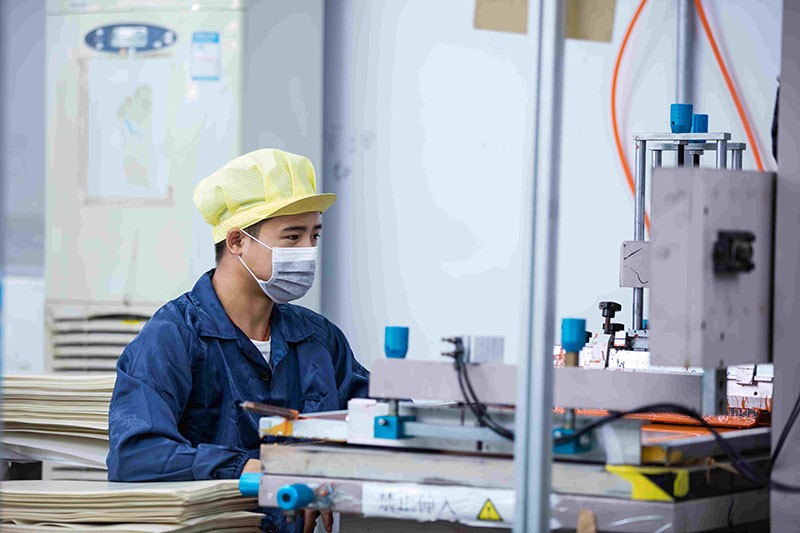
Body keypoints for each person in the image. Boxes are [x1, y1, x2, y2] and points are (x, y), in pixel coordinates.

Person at [107, 149, 370, 533]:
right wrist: (248, 468)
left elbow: (380, 426)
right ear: (236, 241)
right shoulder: (174, 336)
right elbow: (135, 454)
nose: (307, 251)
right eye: (292, 237)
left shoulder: (319, 338)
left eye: (314, 235)